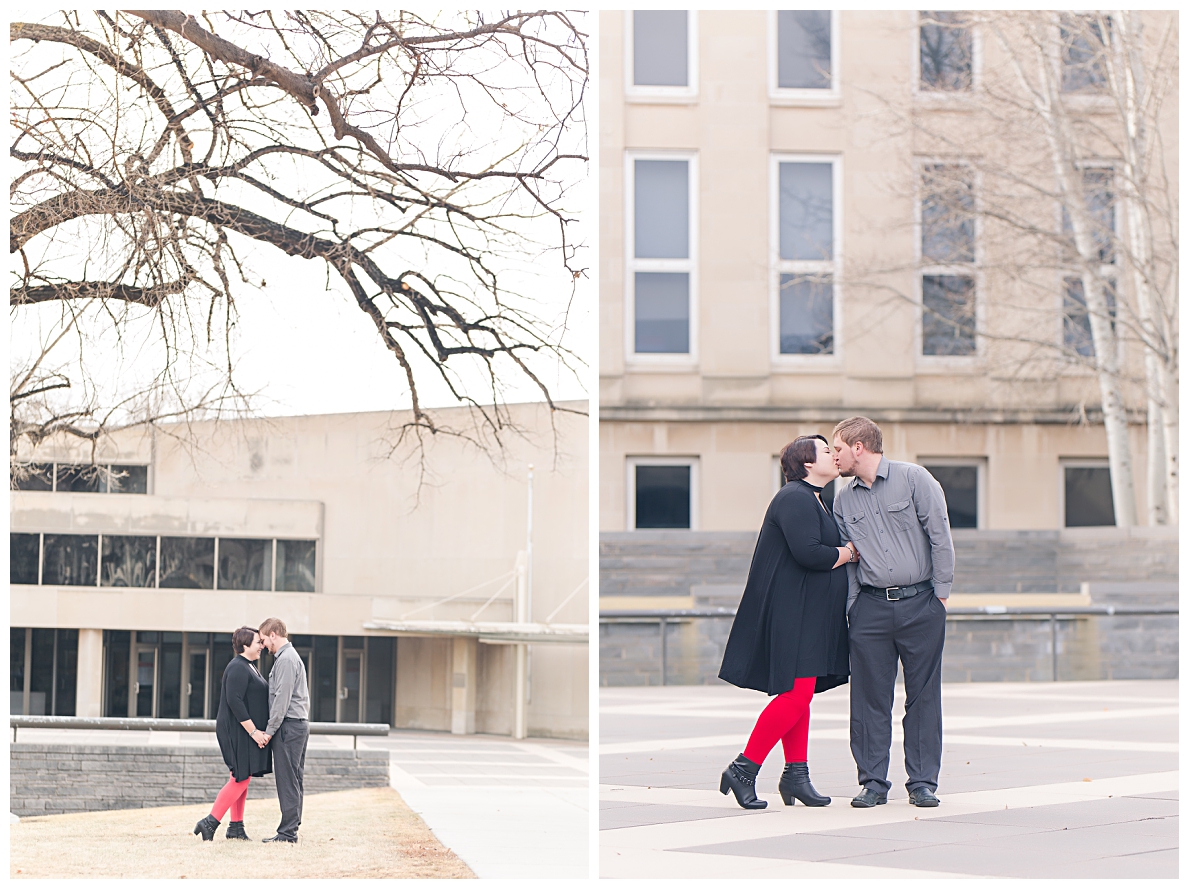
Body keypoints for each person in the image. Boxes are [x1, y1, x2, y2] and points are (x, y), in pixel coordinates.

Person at [717, 434, 856, 809]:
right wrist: (849, 552)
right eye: (827, 450)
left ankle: (796, 775)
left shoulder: (814, 499)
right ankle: (744, 769)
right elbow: (809, 554)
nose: (834, 454)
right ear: (807, 463)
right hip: (794, 613)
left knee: (800, 695)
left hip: (808, 611)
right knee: (796, 695)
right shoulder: (794, 497)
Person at [830, 416, 954, 809]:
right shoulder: (843, 499)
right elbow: (849, 562)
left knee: (923, 696)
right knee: (868, 698)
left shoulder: (915, 479)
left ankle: (922, 783)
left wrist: (942, 595)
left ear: (858, 447)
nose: (834, 457)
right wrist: (853, 607)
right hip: (870, 609)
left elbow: (940, 533)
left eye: (837, 449)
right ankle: (872, 782)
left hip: (922, 604)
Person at [194, 627, 272, 841]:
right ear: (245, 645)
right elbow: (234, 701)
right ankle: (210, 822)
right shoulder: (238, 667)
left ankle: (236, 827)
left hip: (243, 731)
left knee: (242, 776)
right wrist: (254, 732)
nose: (262, 646)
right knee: (240, 778)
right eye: (258, 642)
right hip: (236, 731)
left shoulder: (249, 666)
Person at [258, 617, 311, 843]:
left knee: (287, 780)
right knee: (293, 778)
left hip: (289, 726)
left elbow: (282, 699)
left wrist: (269, 731)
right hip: (293, 726)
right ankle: (291, 828)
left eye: (263, 640)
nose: (262, 645)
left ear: (273, 635)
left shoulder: (287, 659)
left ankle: (287, 833)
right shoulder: (286, 658)